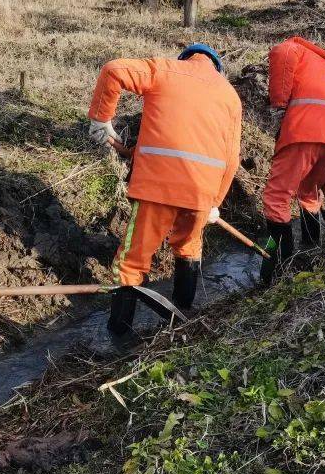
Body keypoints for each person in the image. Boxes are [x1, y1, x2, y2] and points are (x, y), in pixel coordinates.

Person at [87, 44, 242, 334]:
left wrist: (100, 118)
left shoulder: (166, 70)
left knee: (131, 262)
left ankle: (119, 337)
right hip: (201, 192)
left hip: (157, 187)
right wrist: (215, 202)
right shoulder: (230, 96)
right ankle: (182, 318)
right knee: (189, 246)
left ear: (186, 58)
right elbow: (231, 159)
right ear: (217, 67)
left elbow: (113, 70)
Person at [261, 37, 325, 284]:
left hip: (306, 130)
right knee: (310, 193)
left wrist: (279, 105)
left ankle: (280, 266)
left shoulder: (293, 47)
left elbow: (282, 51)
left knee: (276, 198)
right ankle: (311, 252)